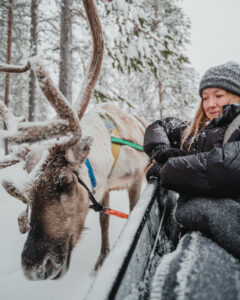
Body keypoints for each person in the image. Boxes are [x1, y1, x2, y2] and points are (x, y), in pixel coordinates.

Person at [144, 61, 240, 259]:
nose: (210, 103)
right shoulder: (200, 132)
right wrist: (160, 150)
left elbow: (225, 167)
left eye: (219, 95)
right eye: (205, 98)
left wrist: (167, 170)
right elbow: (163, 125)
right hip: (198, 234)